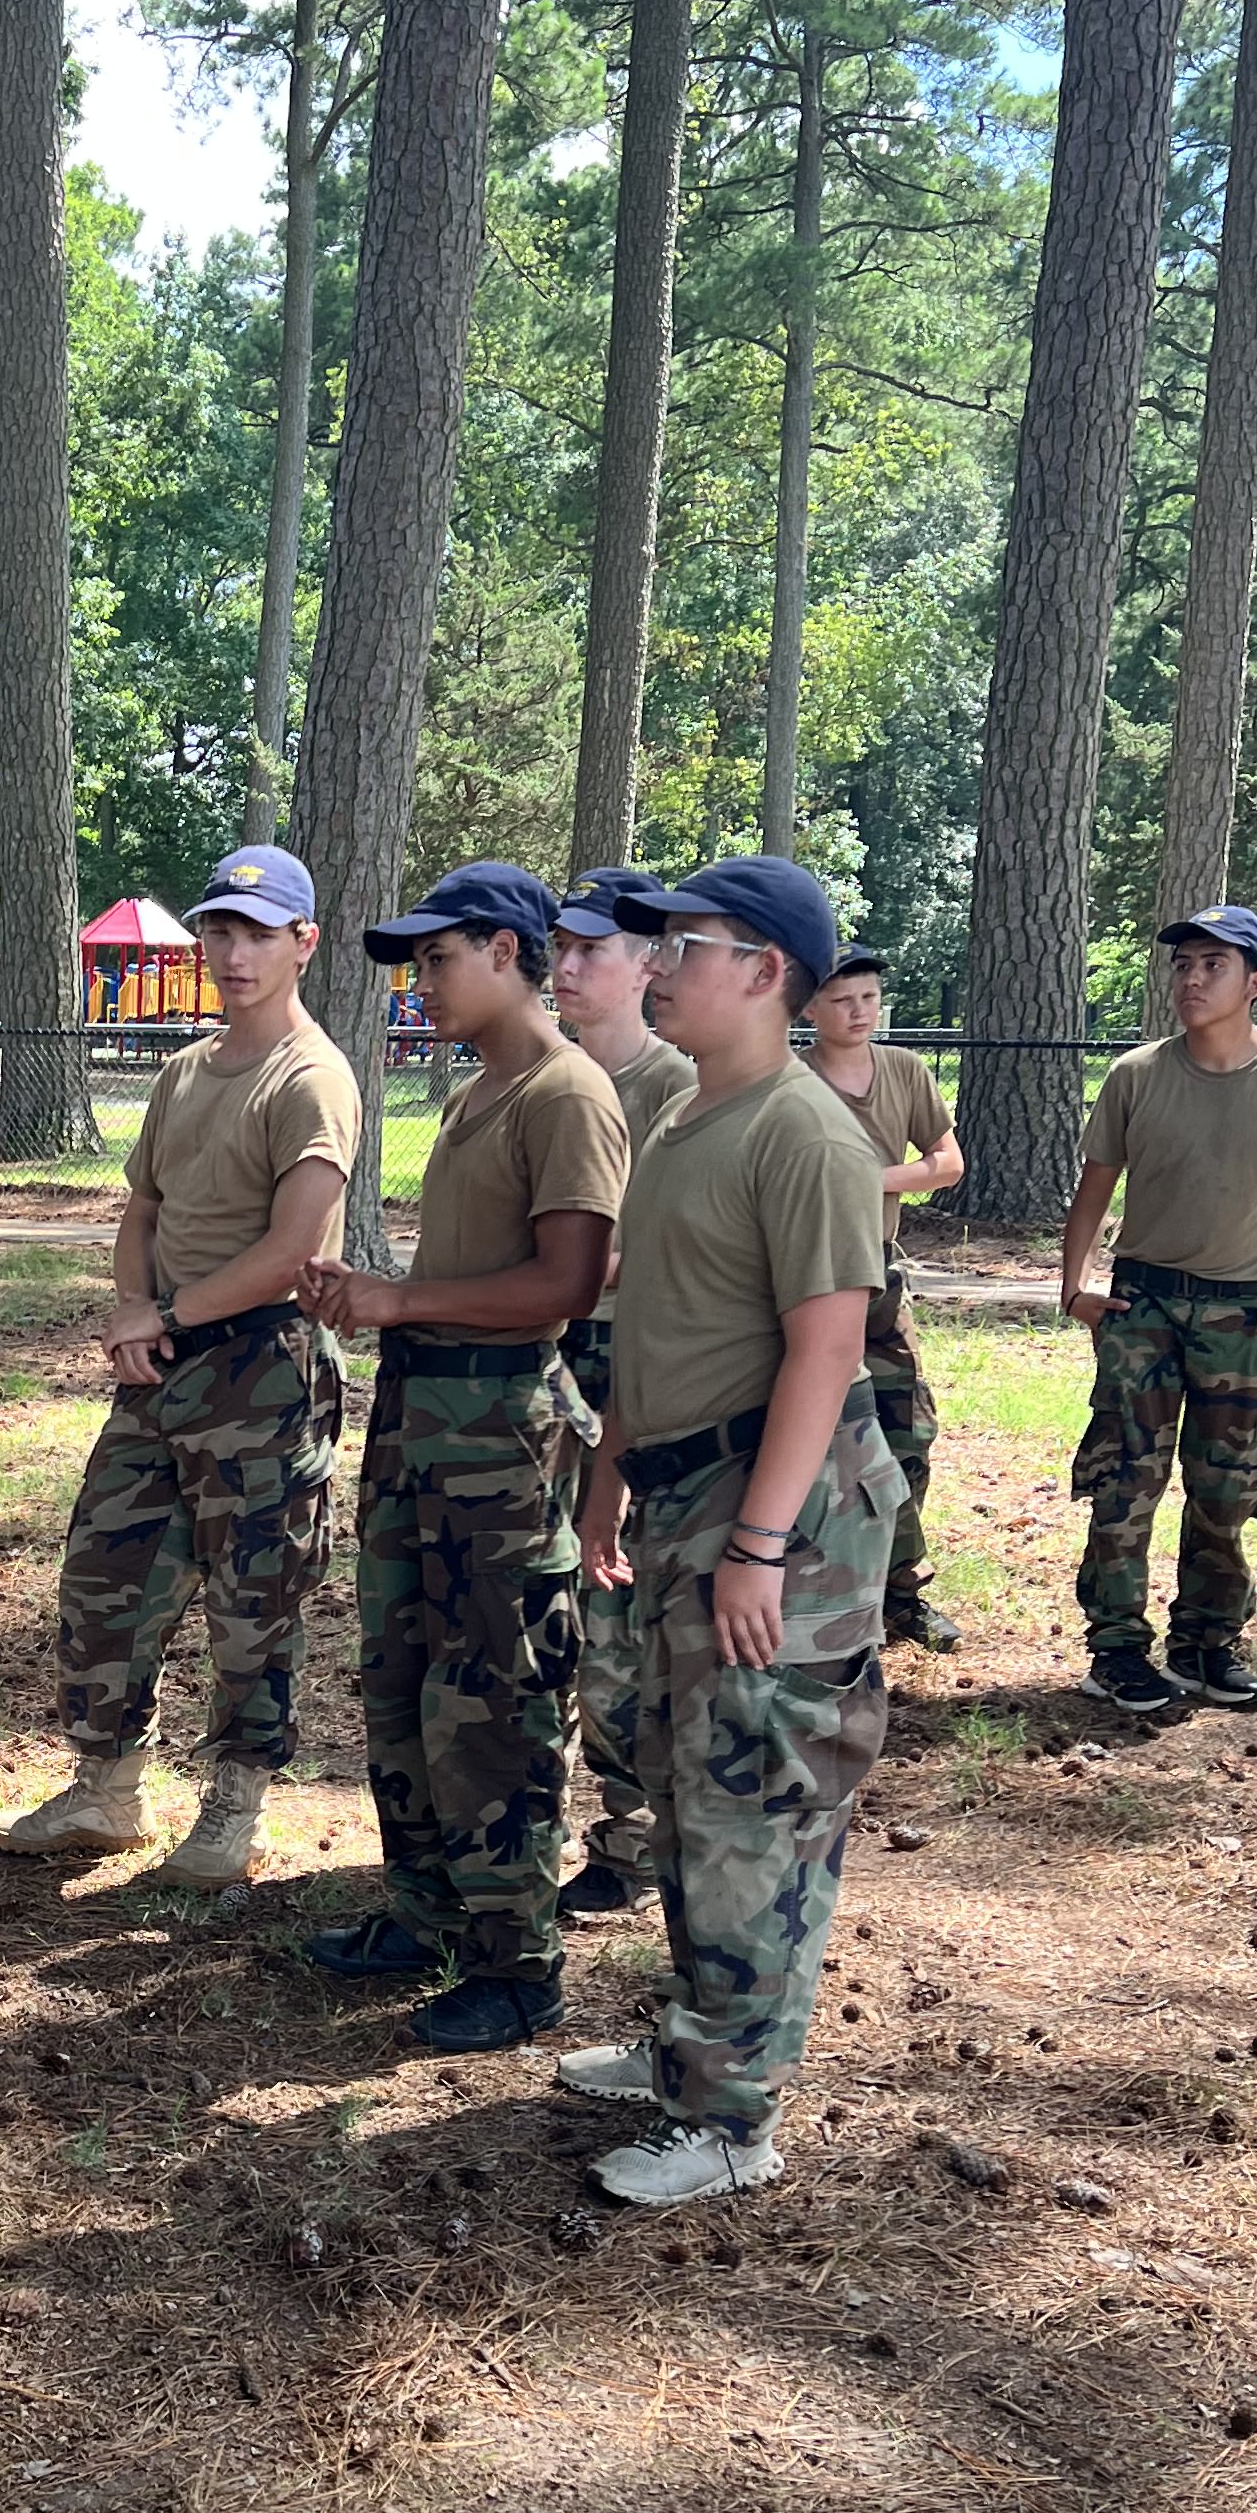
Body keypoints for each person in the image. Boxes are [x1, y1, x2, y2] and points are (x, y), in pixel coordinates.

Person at [560, 856, 902, 2210]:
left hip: (779, 1511)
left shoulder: (805, 1132)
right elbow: (659, 1323)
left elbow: (828, 1348)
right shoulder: (694, 1116)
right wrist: (612, 1482)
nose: (656, 966)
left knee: (754, 1805)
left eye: (683, 946)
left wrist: (759, 1545)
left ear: (764, 971)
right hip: (691, 1494)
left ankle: (729, 2121)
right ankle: (695, 2051)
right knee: (690, 1784)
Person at [294, 863, 626, 2049]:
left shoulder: (566, 1092)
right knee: (404, 1674)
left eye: (437, 959)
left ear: (503, 951)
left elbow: (569, 1282)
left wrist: (399, 1299)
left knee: (496, 1689)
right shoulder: (482, 1090)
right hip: (426, 1414)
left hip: (498, 1427)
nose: (421, 983)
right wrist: (383, 1302)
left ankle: (517, 1963)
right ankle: (429, 1912)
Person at [0, 844, 359, 1890]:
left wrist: (164, 1313)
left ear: (304, 944)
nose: (234, 954)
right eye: (219, 932)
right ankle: (106, 1789)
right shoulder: (187, 1071)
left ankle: (236, 1807)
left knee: (254, 1596)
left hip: (263, 1366)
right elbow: (143, 1209)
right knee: (107, 1575)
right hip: (162, 1365)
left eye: (258, 934)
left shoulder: (312, 1078)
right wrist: (131, 1312)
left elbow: (291, 1250)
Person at [1058, 901, 1257, 1719]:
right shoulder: (1137, 1075)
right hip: (1144, 1305)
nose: (1191, 980)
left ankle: (1204, 1643)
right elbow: (1094, 1188)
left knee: (1228, 1487)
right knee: (1125, 1478)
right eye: (1183, 965)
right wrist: (1074, 1287)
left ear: (1254, 983)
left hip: (1246, 1314)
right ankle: (1116, 1650)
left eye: (1213, 966)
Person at [545, 870, 696, 1921]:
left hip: (626, 1364)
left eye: (592, 949)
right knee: (535, 1591)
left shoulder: (676, 1090)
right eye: (559, 946)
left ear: (651, 964)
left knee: (612, 1607)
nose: (567, 966)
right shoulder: (541, 1076)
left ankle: (630, 1832)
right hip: (536, 1359)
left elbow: (651, 1257)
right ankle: (527, 1811)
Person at [800, 942, 964, 1653]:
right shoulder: (792, 1079)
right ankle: (821, 1585)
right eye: (842, 1000)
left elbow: (948, 1162)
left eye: (869, 997)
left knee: (907, 1433)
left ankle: (900, 1592)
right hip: (806, 1276)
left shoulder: (904, 1069)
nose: (859, 1011)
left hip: (880, 1272)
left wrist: (873, 1179)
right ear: (810, 1007)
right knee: (810, 1438)